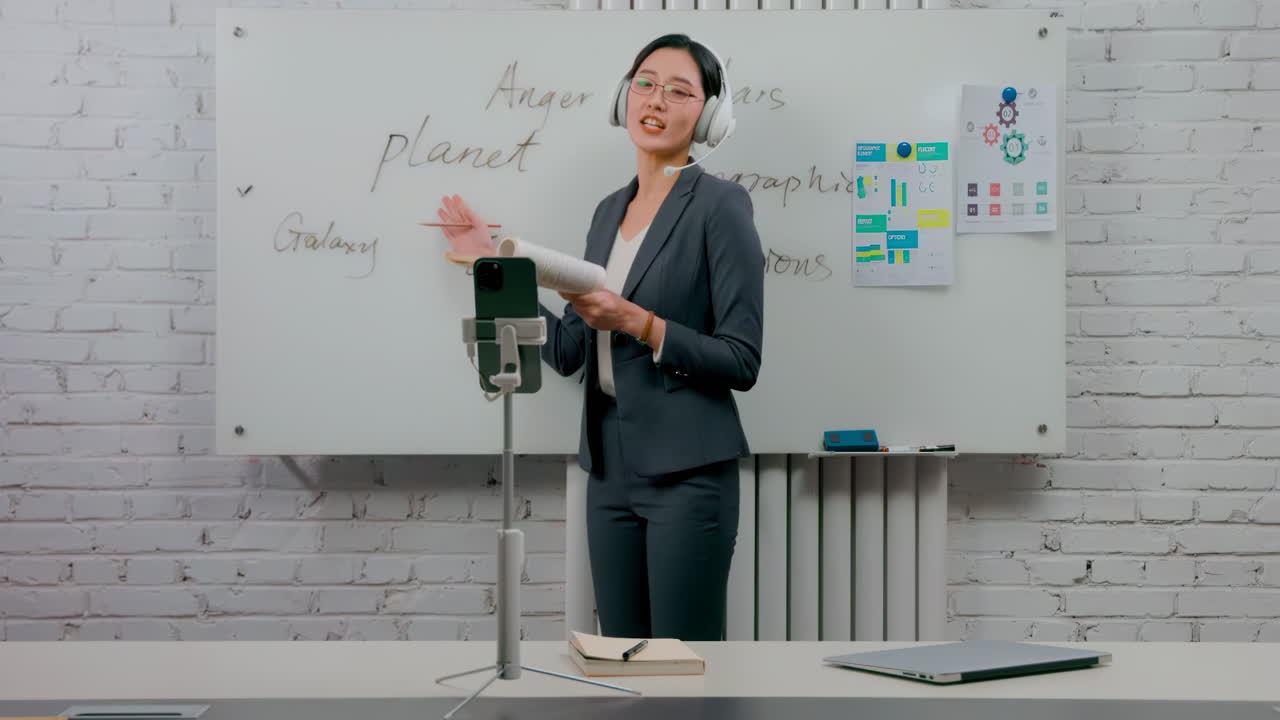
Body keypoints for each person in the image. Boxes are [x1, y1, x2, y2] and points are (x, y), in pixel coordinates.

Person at [435, 33, 764, 641]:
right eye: (645, 82)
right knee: (619, 652)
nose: (656, 100)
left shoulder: (721, 206)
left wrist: (638, 321)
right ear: (623, 98)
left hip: (689, 474)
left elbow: (742, 358)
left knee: (682, 666)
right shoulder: (606, 212)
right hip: (608, 467)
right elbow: (567, 354)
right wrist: (491, 265)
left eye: (678, 90)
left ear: (710, 116)